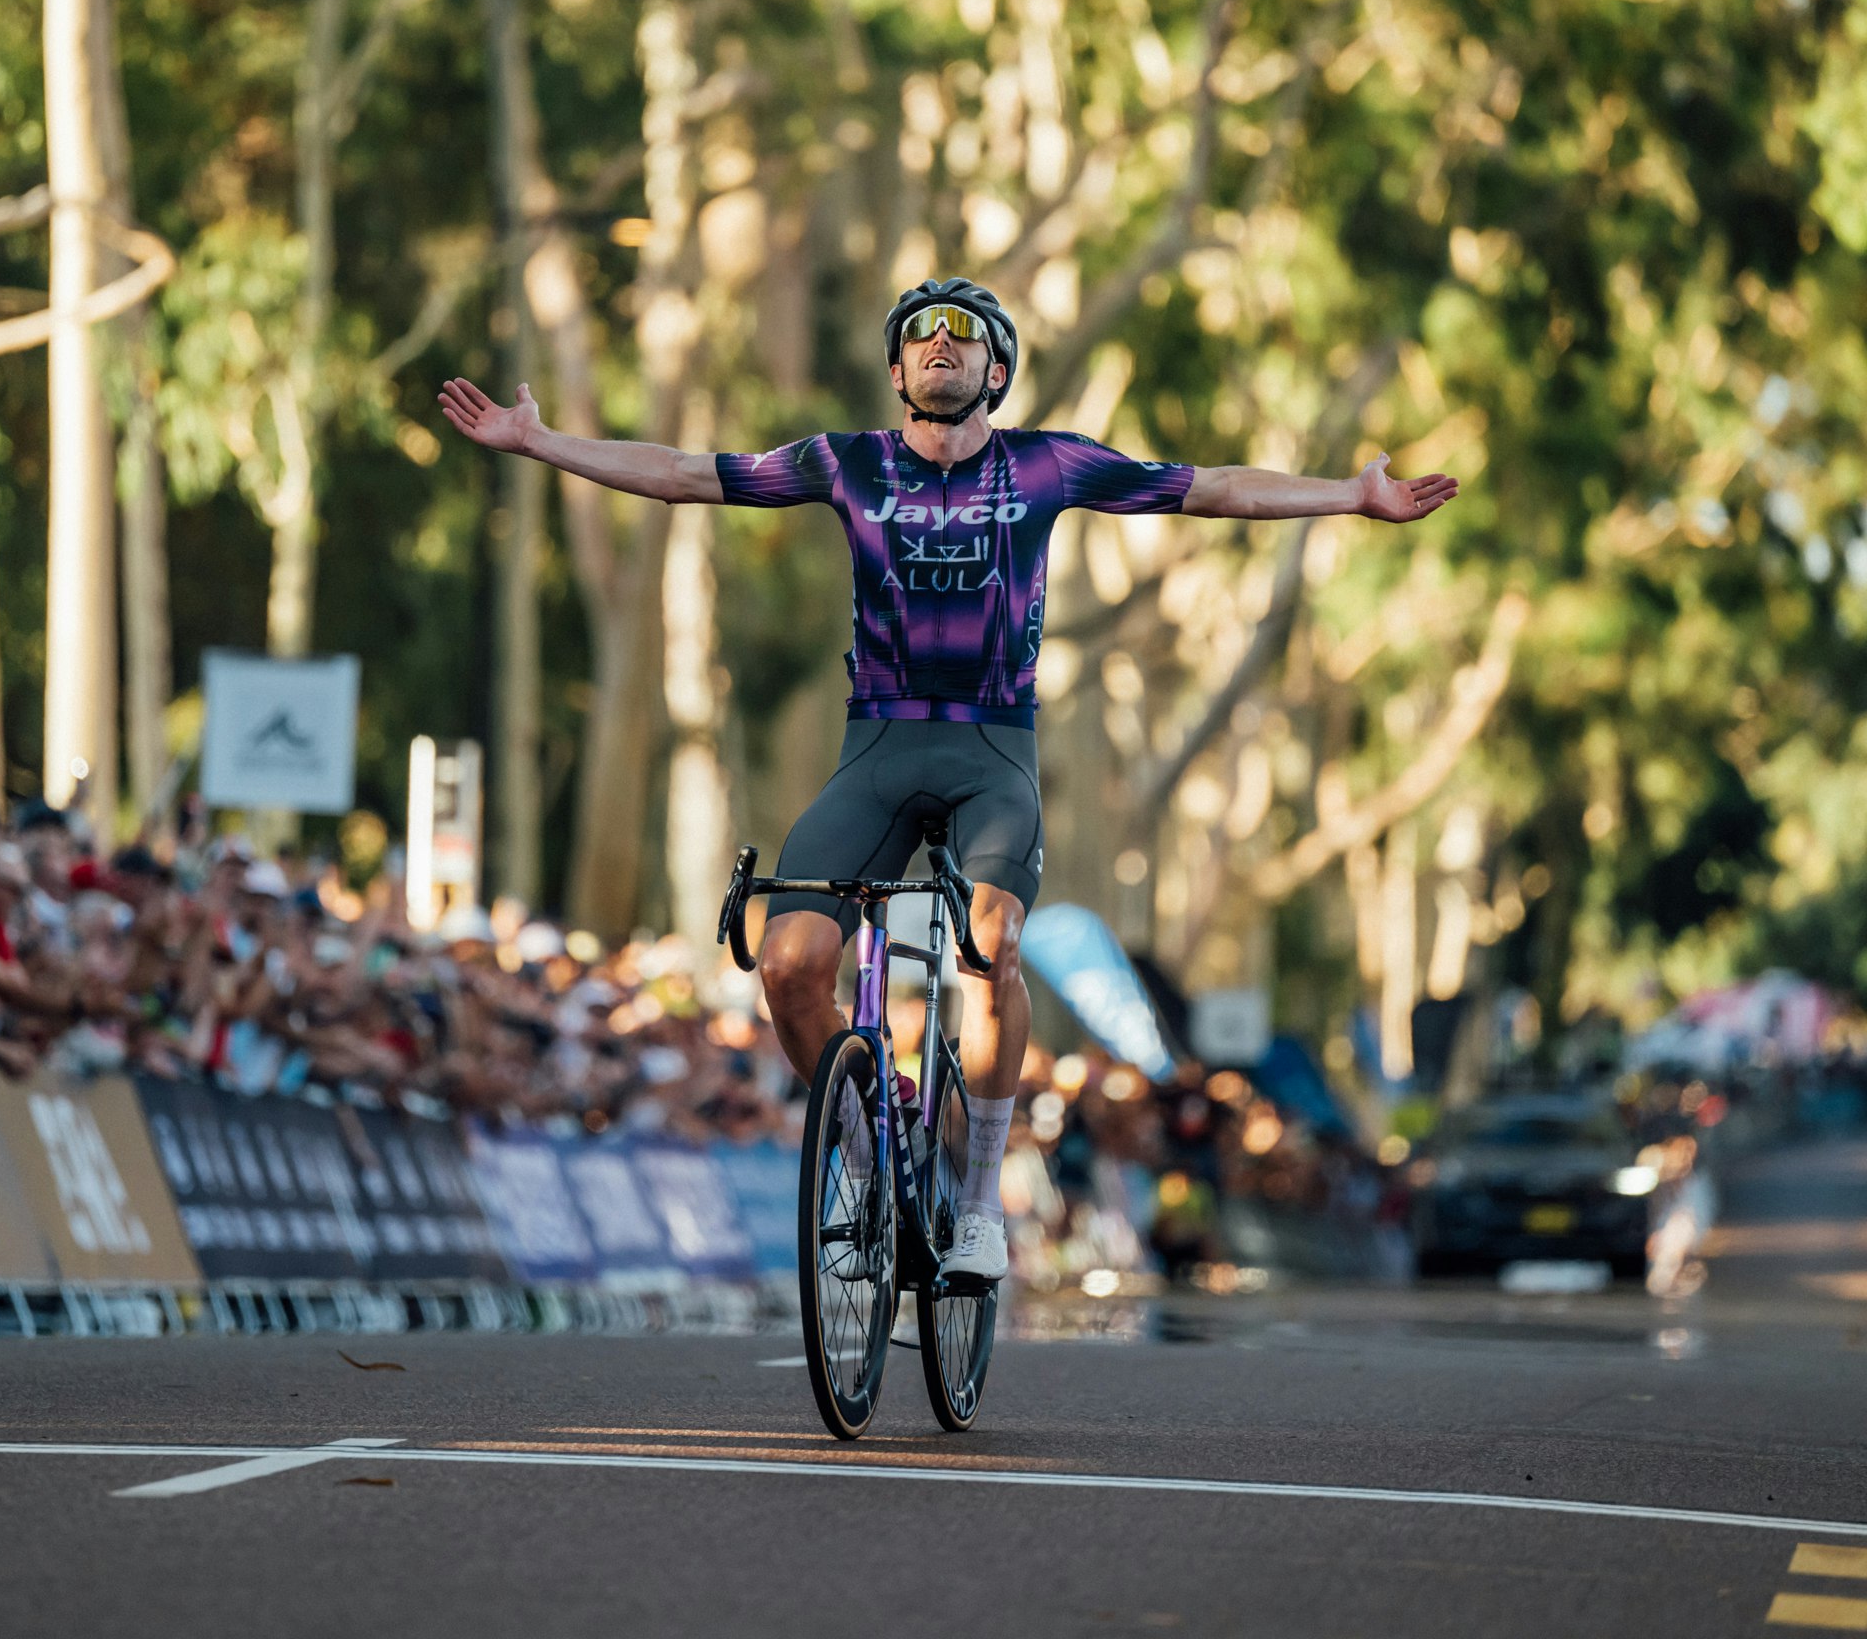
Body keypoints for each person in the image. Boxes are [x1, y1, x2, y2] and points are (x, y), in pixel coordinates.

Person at [439, 275, 1460, 1280]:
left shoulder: (1049, 465)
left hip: (992, 752)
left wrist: (1350, 497)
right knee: (788, 961)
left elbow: (1215, 488)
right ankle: (870, 1140)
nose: (940, 342)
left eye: (963, 333)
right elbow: (678, 471)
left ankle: (977, 1206)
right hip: (876, 747)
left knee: (991, 940)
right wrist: (538, 441)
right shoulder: (846, 464)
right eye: (920, 332)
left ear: (996, 367)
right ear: (896, 365)